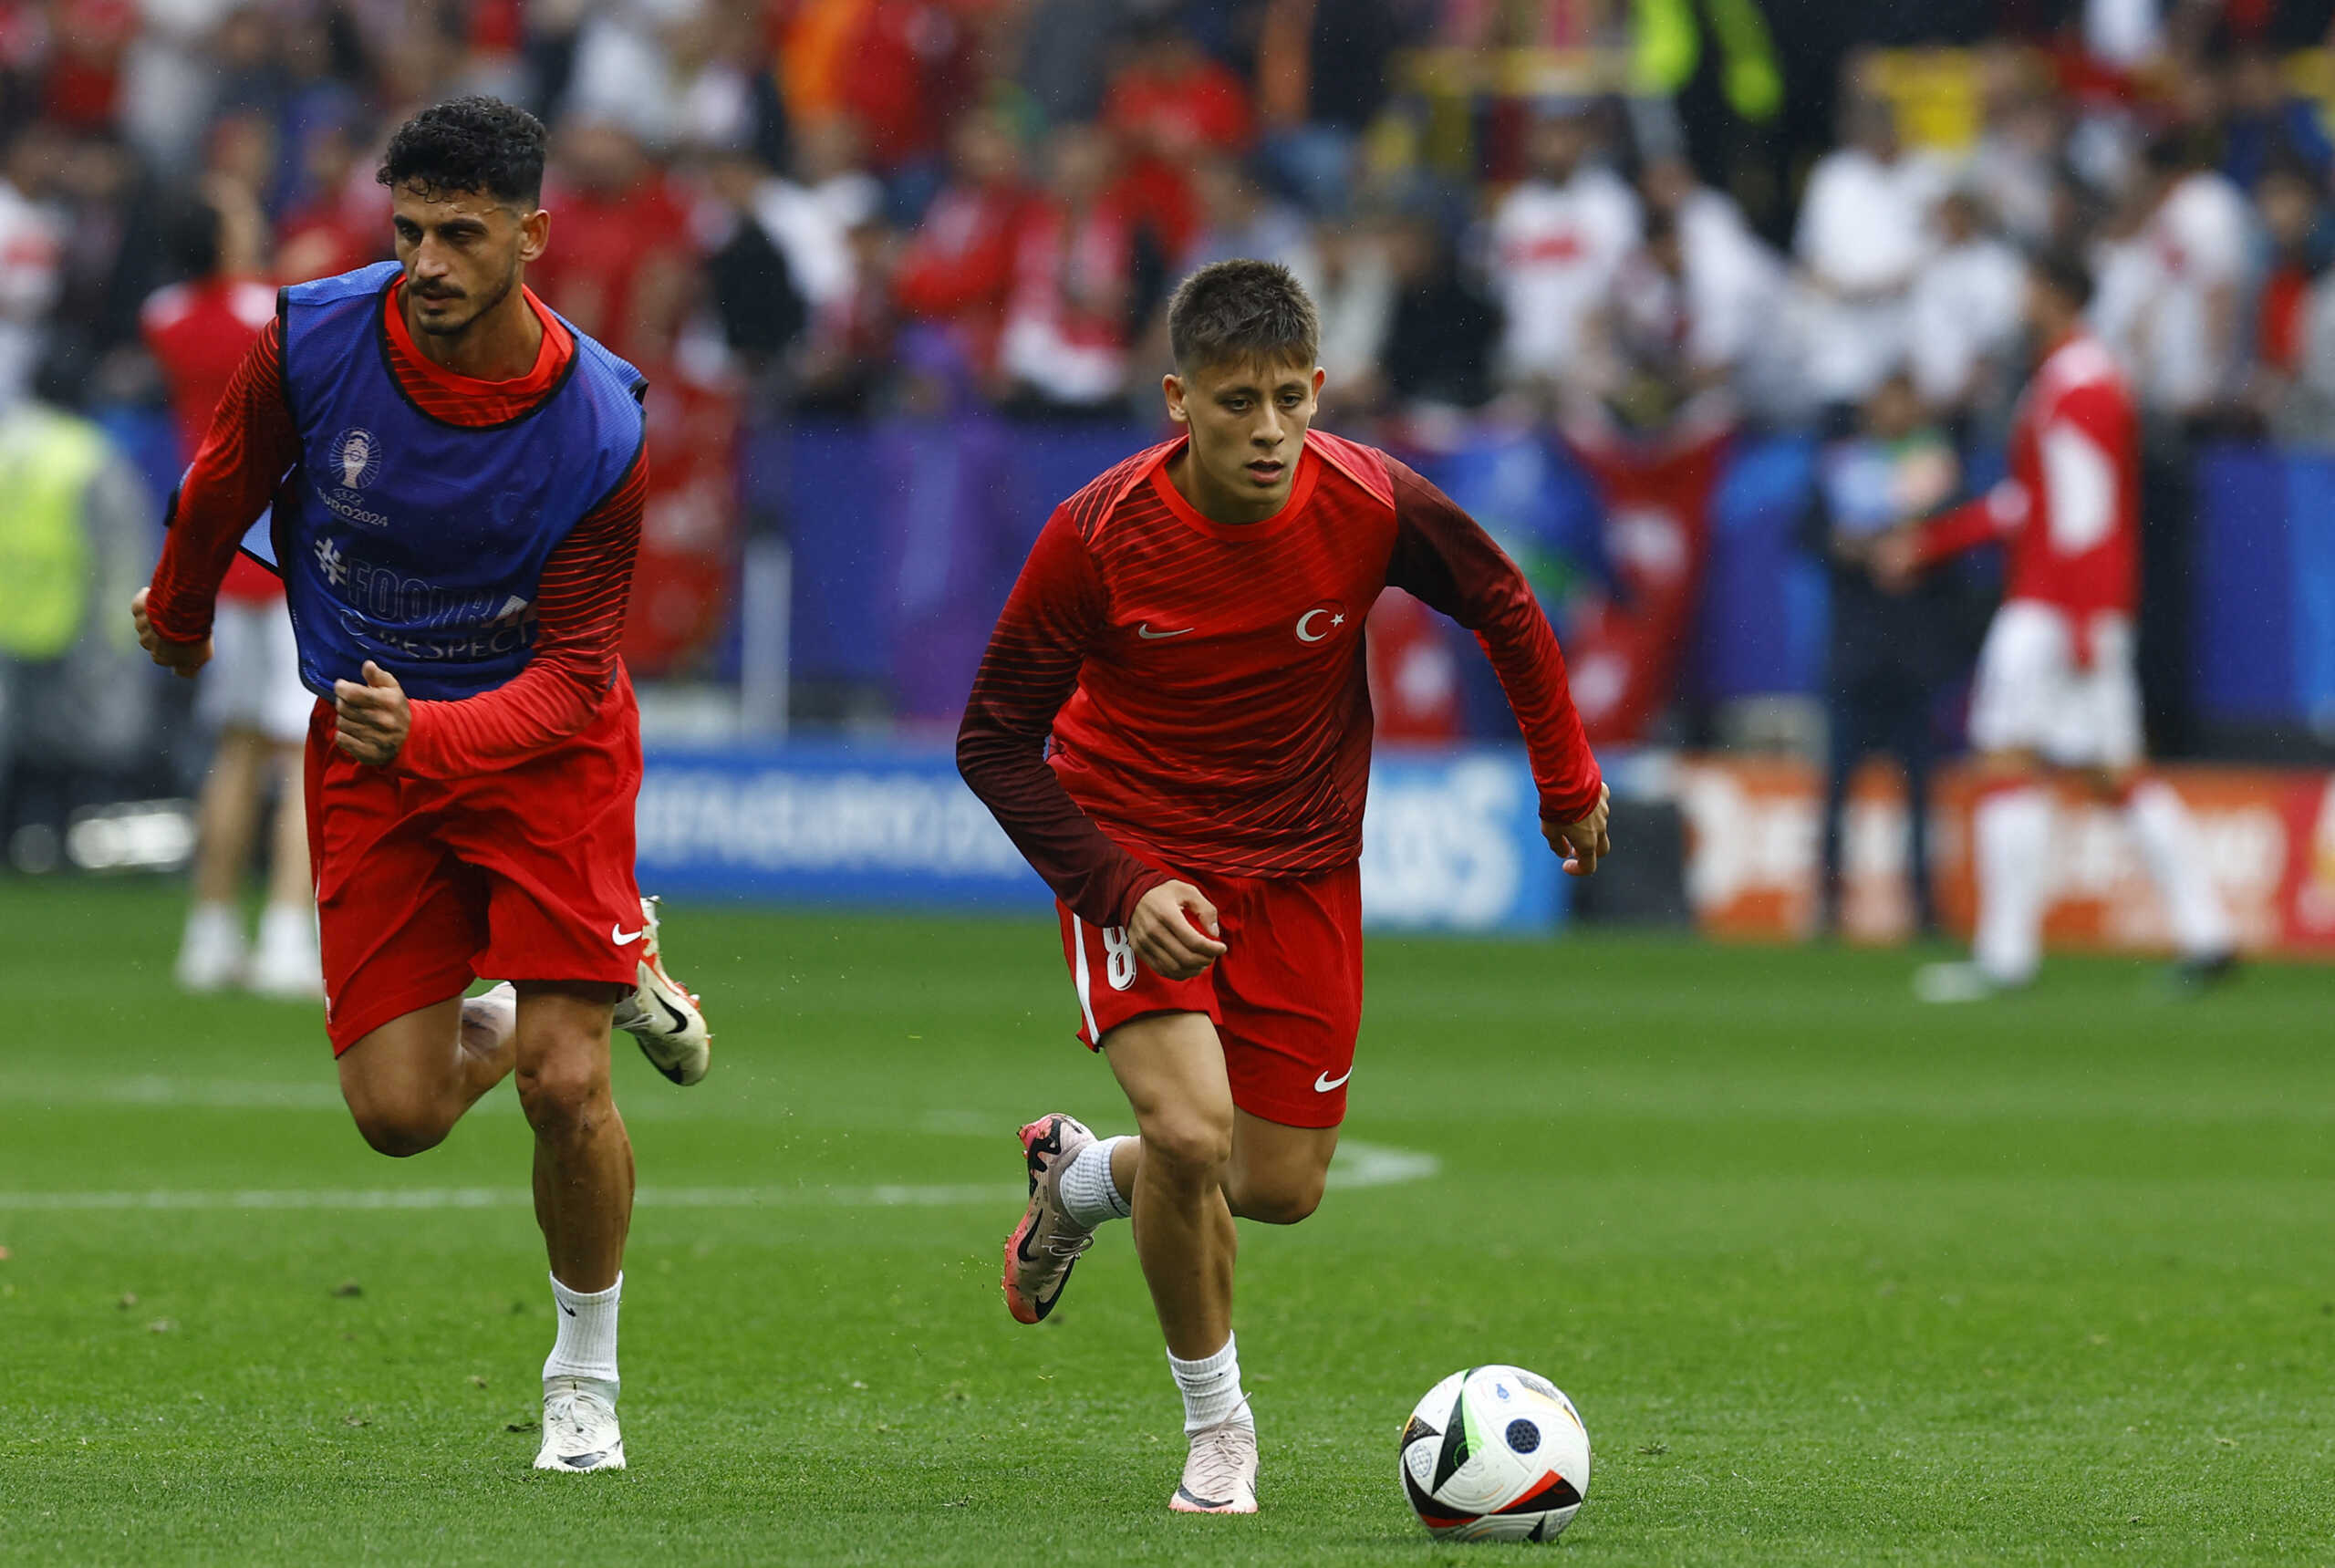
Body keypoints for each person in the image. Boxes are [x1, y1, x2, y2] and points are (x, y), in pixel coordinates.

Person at [957, 259, 1611, 1514]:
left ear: (1320, 389)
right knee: (1195, 1132)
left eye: (1289, 400)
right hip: (1136, 852)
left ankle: (1081, 1181)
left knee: (1276, 1185)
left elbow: (1503, 600)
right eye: (1236, 402)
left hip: (1304, 866)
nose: (1267, 431)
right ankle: (1220, 1432)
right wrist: (1116, 880)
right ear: (1177, 400)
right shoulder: (1097, 536)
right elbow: (992, 741)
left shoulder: (1367, 499)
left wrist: (1565, 776)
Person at [130, 97, 712, 1472]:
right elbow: (226, 476)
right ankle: (576, 974)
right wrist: (181, 604)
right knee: (397, 1116)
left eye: (462, 234)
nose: (431, 263)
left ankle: (585, 1377)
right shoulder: (319, 335)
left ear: (532, 236)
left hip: (541, 756)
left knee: (567, 1086)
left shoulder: (599, 425)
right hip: (373, 750)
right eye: (411, 232)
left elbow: (576, 676)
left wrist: (432, 739)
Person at [1874, 249, 2236, 1000]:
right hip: (2075, 601)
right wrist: (1937, 540)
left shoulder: (2080, 387)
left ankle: (2007, 954)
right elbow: (2030, 503)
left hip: (2055, 604)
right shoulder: (2075, 378)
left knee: (2007, 758)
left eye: (2031, 288)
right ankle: (2207, 934)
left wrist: (2077, 616)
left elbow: (2082, 513)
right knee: (2113, 772)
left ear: (2057, 295)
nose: (2021, 301)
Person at [144, 183, 322, 997]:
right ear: (220, 237)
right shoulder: (270, 312)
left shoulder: (165, 319)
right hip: (280, 556)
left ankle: (208, 934)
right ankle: (288, 936)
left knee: (236, 750)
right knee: (305, 752)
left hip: (212, 561)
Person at [1806, 369, 1965, 938]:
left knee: (1921, 795)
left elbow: (1957, 553)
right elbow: (1808, 536)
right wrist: (1853, 549)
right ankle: (1825, 902)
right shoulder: (1843, 466)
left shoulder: (1937, 469)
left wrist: (1916, 550)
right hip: (1855, 653)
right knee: (1837, 791)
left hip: (1913, 658)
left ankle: (1924, 904)